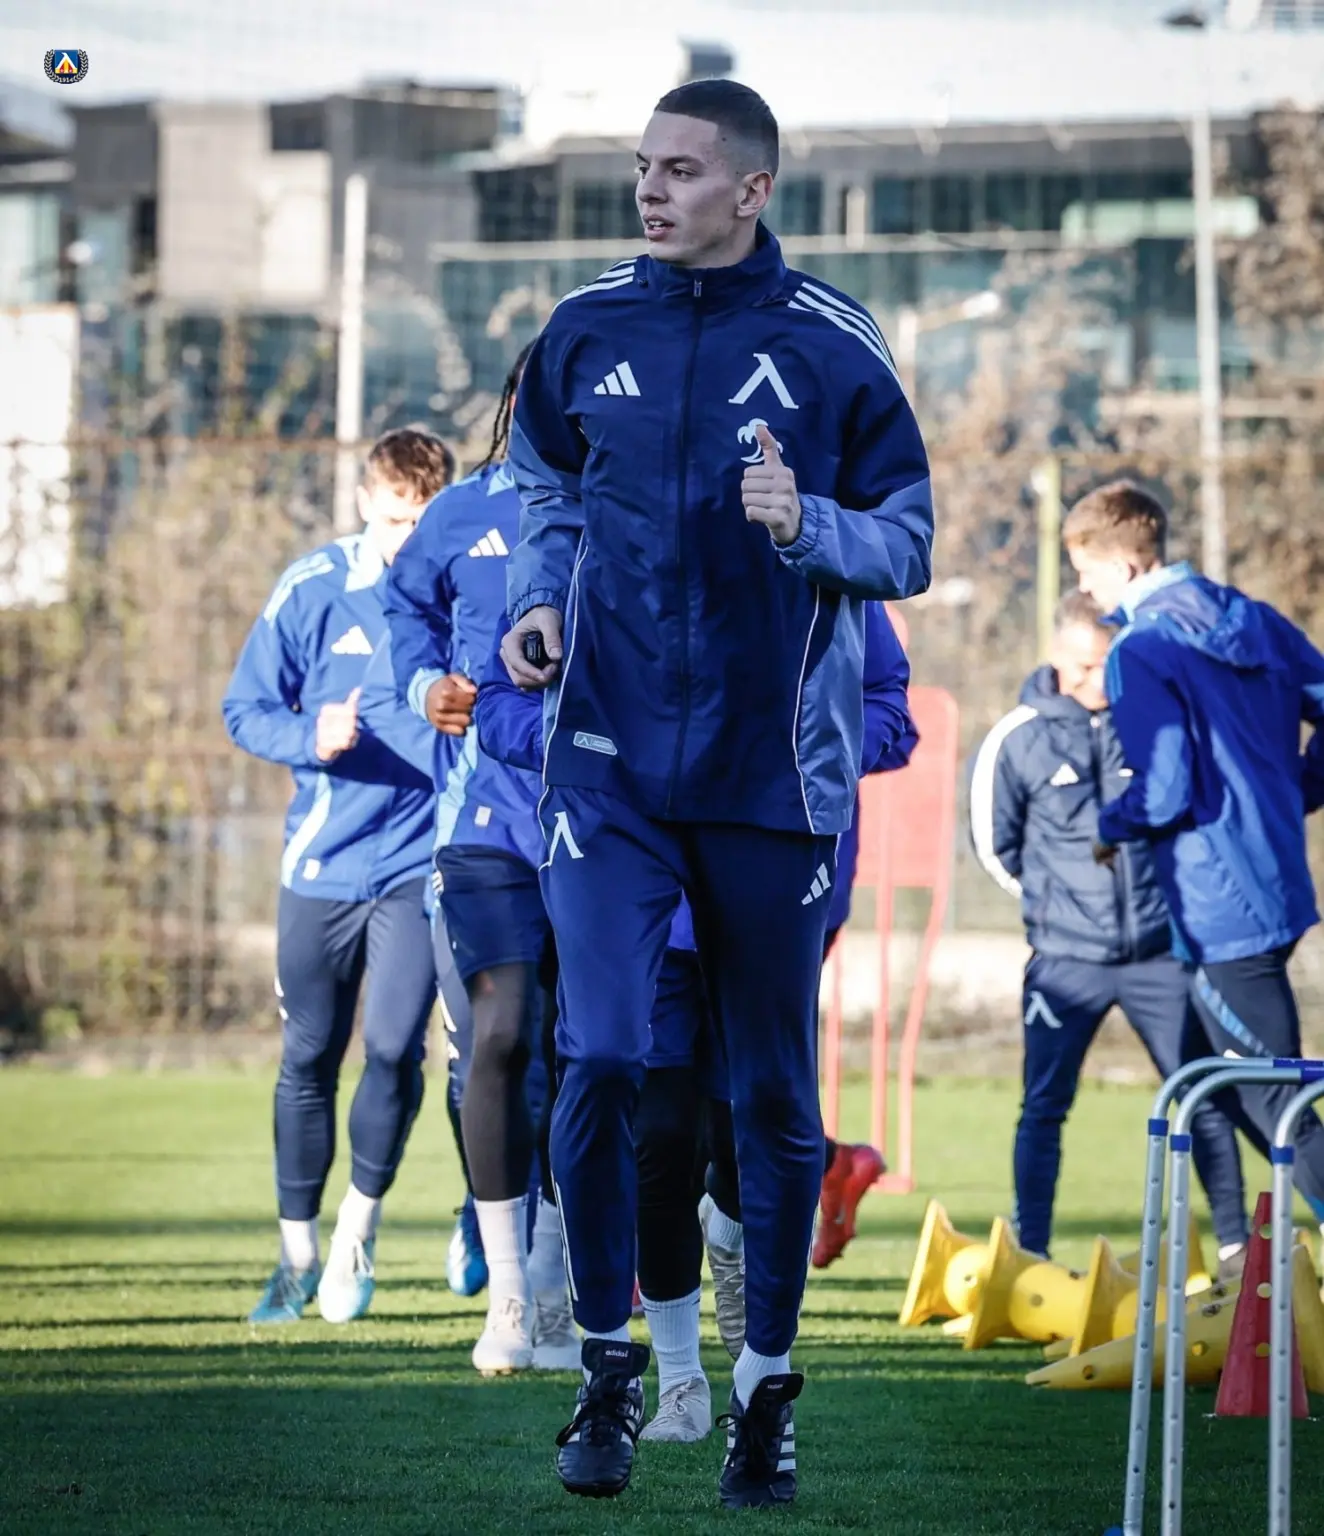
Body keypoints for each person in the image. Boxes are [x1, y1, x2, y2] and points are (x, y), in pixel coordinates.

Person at [500, 79, 932, 1508]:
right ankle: (606, 1367)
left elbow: (910, 538)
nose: (651, 189)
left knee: (770, 1096)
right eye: (643, 166)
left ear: (751, 189)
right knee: (600, 1059)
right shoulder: (583, 330)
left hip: (768, 775)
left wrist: (811, 525)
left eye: (681, 170)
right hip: (608, 765)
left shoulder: (832, 342)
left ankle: (766, 1391)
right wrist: (537, 603)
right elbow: (547, 495)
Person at [221, 426, 453, 1325]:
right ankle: (295, 1256)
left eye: (421, 520)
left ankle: (358, 1227)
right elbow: (244, 707)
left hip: (418, 865)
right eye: (393, 519)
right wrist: (308, 735)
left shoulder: (462, 590)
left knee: (393, 1048)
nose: (405, 538)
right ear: (364, 504)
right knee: (309, 1056)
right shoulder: (313, 587)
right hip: (321, 864)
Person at [381, 346, 580, 1376]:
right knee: (499, 1037)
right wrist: (424, 688)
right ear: (516, 405)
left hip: (608, 825)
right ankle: (507, 1295)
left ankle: (558, 1282)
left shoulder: (632, 510)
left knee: (593, 1057)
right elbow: (403, 610)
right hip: (487, 825)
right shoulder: (461, 512)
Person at [1067, 479, 1324, 1232]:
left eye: (1085, 572)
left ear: (1125, 566)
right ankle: (1255, 1246)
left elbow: (1165, 788)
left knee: (1273, 1099)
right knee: (1213, 1076)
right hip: (1275, 879)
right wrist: (1295, 792)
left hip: (1221, 902)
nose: (1084, 590)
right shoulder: (1254, 619)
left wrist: (1111, 826)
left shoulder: (1142, 650)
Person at [968, 590, 1247, 1268]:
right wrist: (1054, 903)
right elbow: (993, 845)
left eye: (1104, 665)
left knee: (1201, 1096)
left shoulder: (1152, 722)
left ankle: (1238, 1246)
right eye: (1080, 665)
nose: (1092, 679)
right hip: (1065, 960)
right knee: (1043, 1108)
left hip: (1159, 956)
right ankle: (1031, 1253)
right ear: (1054, 656)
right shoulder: (1017, 737)